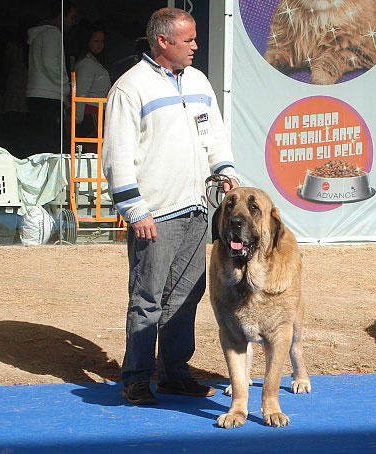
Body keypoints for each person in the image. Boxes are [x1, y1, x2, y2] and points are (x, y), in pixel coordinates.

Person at [102, 7, 240, 405]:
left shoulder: (197, 80)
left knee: (186, 297)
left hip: (196, 210)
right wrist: (135, 209)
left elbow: (214, 135)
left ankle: (175, 374)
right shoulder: (130, 88)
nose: (196, 46)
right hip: (155, 215)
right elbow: (117, 156)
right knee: (147, 299)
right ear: (162, 41)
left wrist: (225, 170)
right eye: (189, 40)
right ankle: (137, 379)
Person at [25, 1, 77, 153]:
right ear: (62, 16)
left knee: (39, 145)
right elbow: (50, 64)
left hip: (35, 93)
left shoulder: (38, 34)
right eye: (72, 17)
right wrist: (65, 86)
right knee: (52, 146)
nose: (73, 22)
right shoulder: (53, 33)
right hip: (50, 96)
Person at [73, 22, 111, 138]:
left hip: (98, 114)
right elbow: (81, 93)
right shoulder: (87, 64)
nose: (100, 45)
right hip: (92, 115)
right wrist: (77, 119)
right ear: (87, 41)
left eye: (102, 41)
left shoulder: (93, 62)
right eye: (96, 41)